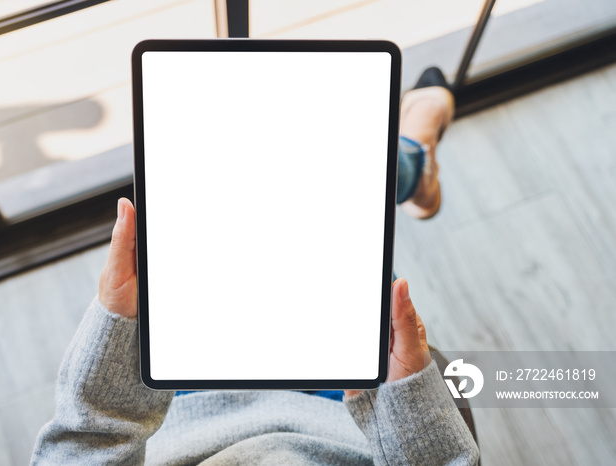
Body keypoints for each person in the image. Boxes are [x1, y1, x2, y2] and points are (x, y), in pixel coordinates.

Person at [31, 68, 479, 465]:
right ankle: (413, 156)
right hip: (350, 409)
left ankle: (411, 158)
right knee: (328, 190)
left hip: (177, 406)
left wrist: (115, 326)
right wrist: (411, 423)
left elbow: (83, 449)